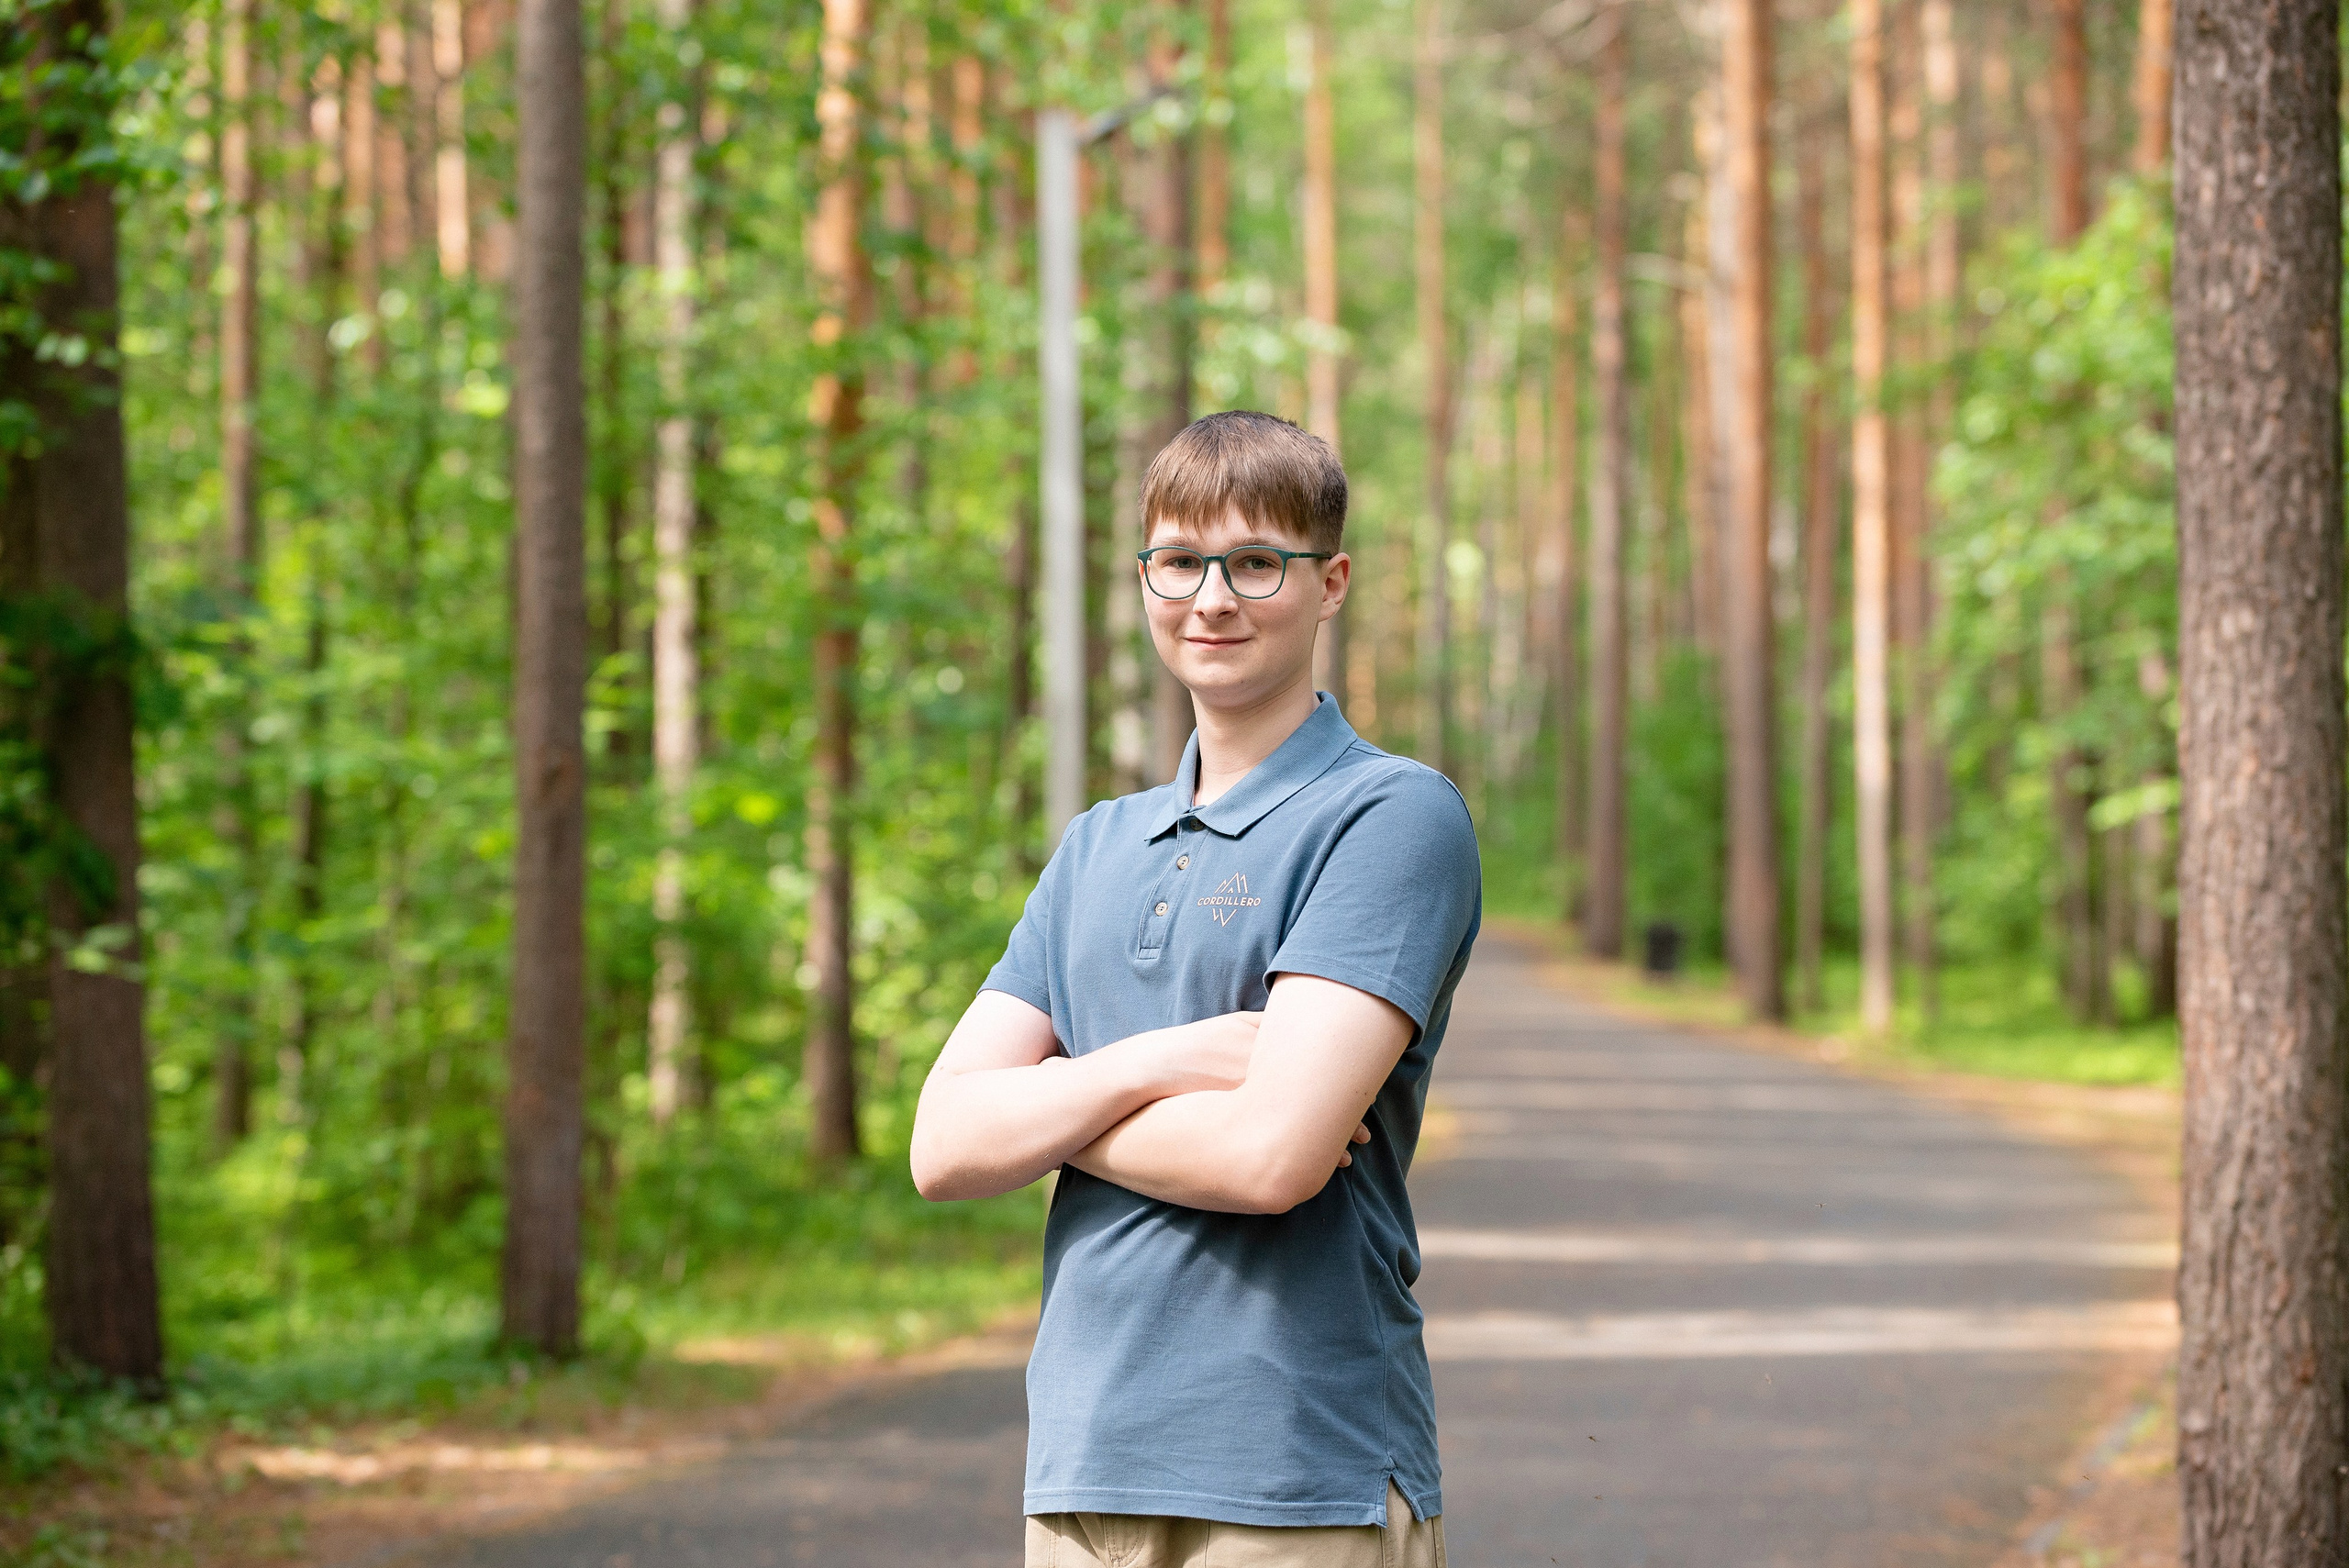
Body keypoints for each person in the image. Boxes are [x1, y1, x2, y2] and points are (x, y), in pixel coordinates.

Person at [910, 410, 1481, 1568]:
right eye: (1179, 561)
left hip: (1291, 1472)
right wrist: (1157, 1064)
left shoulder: (1390, 815)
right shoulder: (1095, 844)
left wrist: (1050, 1113)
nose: (1211, 598)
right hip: (1082, 1469)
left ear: (1330, 583)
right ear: (1145, 579)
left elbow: (1270, 1159)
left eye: (1256, 562)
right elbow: (942, 1145)